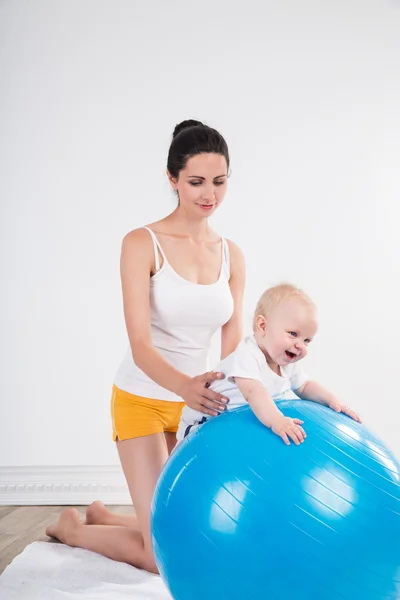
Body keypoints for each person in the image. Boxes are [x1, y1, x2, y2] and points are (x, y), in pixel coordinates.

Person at [45, 120, 246, 572]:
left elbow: (233, 349)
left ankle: (105, 518)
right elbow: (139, 344)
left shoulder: (232, 253)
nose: (208, 193)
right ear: (173, 179)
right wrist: (186, 388)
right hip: (142, 399)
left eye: (219, 181)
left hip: (196, 407)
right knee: (165, 556)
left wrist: (248, 396)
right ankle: (73, 529)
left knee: (190, 527)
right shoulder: (142, 243)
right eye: (196, 182)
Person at [178, 283, 361, 445]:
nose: (299, 345)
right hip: (202, 426)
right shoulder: (247, 356)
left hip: (239, 423)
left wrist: (332, 401)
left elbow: (304, 386)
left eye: (307, 340)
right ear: (263, 326)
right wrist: (277, 421)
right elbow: (253, 392)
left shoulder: (285, 360)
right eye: (293, 334)